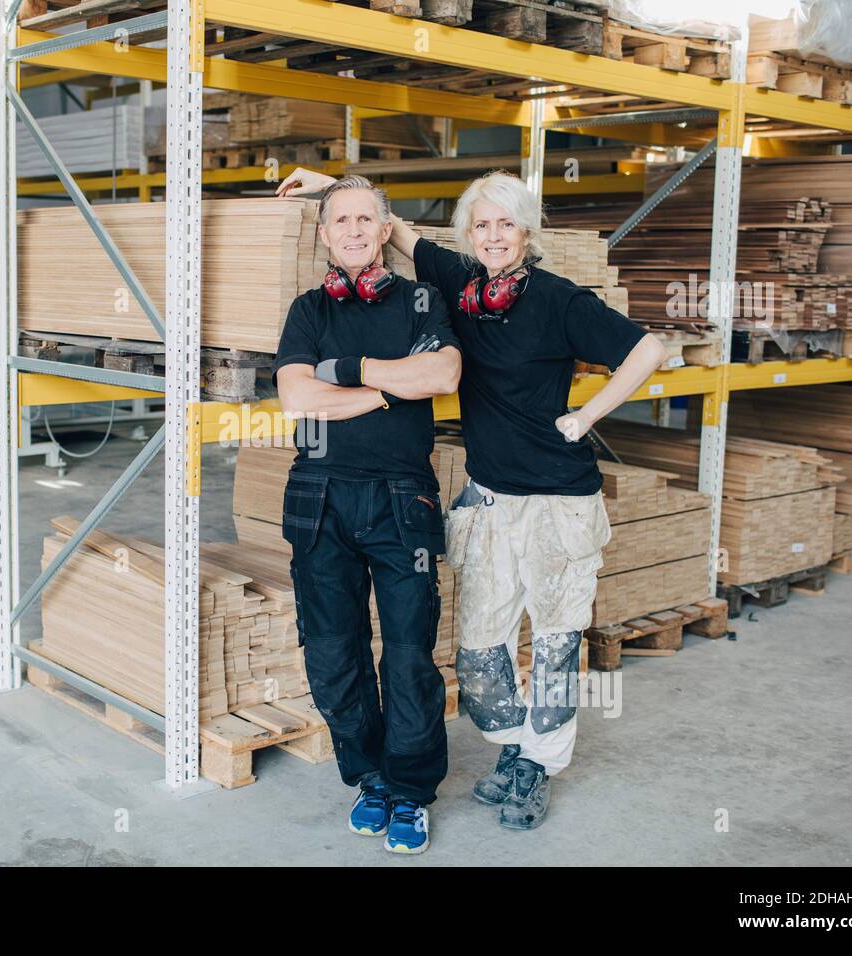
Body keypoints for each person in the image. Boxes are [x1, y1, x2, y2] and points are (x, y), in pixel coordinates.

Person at [278, 167, 668, 830]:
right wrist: (338, 182)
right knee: (480, 652)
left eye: (506, 223)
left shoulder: (554, 299)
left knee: (551, 644)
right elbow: (386, 230)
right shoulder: (458, 284)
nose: (493, 236)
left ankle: (537, 764)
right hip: (489, 499)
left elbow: (648, 347)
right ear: (467, 234)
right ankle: (512, 747)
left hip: (556, 499)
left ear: (525, 230)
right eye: (481, 225)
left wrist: (586, 417)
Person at [273, 176, 462, 854]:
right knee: (331, 651)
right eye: (340, 220)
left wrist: (347, 373)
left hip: (400, 499)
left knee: (409, 654)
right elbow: (297, 397)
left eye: (365, 219)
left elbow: (441, 377)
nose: (353, 230)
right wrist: (385, 391)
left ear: (386, 230)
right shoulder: (307, 310)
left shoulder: (421, 299)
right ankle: (371, 776)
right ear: (324, 235)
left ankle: (410, 790)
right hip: (318, 499)